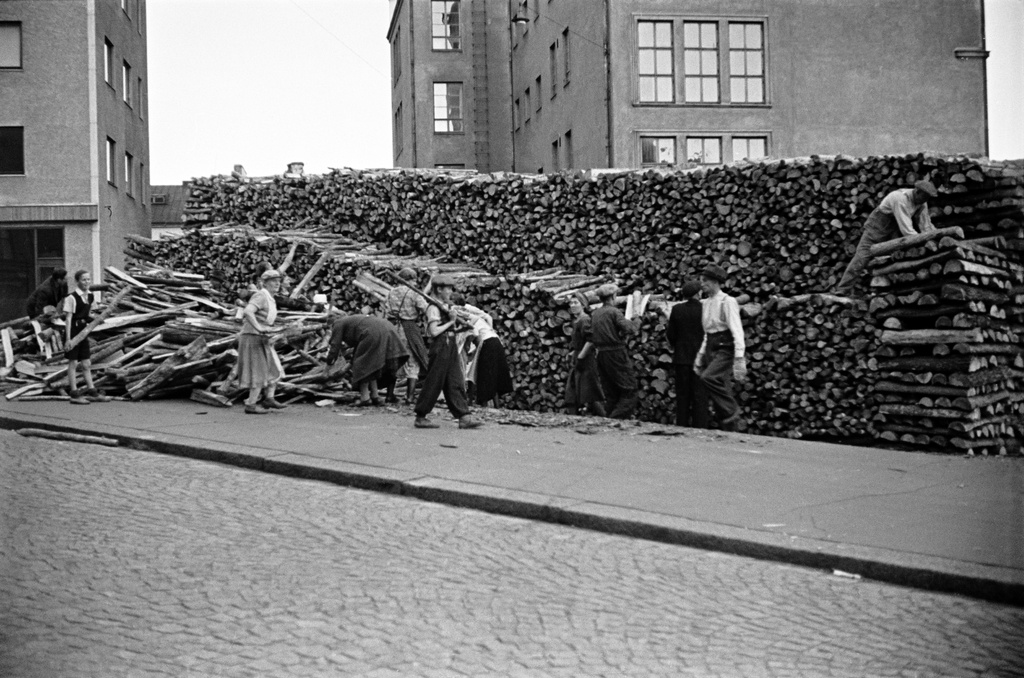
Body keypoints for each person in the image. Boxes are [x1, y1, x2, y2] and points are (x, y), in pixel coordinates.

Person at [834, 180, 938, 296]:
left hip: (893, 230)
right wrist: (920, 241)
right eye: (924, 197)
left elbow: (925, 225)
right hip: (877, 227)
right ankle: (843, 289)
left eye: (927, 198)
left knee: (893, 259)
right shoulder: (900, 199)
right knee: (862, 257)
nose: (925, 201)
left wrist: (933, 238)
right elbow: (907, 230)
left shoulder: (922, 202)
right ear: (917, 192)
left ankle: (882, 293)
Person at [412, 275, 482, 430]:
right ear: (438, 289)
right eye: (448, 289)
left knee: (455, 380)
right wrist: (451, 321)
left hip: (449, 345)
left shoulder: (443, 305)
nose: (450, 292)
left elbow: (448, 330)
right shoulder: (433, 308)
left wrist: (459, 328)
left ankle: (464, 416)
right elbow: (434, 331)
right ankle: (421, 416)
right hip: (440, 347)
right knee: (434, 381)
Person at [694, 264, 746, 431]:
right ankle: (729, 427)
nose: (702, 284)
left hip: (725, 345)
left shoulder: (727, 301)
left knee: (708, 377)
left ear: (716, 282)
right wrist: (700, 356)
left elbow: (736, 329)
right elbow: (706, 333)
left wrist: (739, 356)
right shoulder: (706, 303)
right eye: (701, 280)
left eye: (706, 281)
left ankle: (732, 410)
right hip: (711, 344)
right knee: (721, 384)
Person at [325, 313, 409, 406]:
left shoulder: (338, 323)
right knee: (372, 365)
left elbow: (335, 344)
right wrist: (351, 361)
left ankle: (365, 398)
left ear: (331, 324)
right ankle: (375, 396)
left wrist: (329, 362)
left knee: (362, 365)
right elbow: (358, 345)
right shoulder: (354, 321)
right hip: (387, 328)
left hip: (372, 333)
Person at [589, 283, 641, 419]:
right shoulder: (613, 312)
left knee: (611, 391)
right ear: (613, 296)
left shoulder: (595, 313)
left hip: (601, 354)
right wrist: (636, 320)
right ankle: (616, 418)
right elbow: (630, 329)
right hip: (615, 353)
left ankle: (609, 418)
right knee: (630, 389)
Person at [238, 269, 286, 414]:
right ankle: (251, 405)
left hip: (262, 337)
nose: (277, 283)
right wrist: (259, 328)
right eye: (273, 281)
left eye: (278, 281)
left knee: (274, 367)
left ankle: (269, 398)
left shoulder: (271, 298)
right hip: (252, 336)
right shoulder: (261, 295)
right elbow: (248, 311)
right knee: (258, 370)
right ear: (264, 283)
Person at [62, 270, 110, 404]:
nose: (87, 282)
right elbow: (68, 318)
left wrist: (96, 319)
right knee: (73, 363)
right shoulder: (71, 298)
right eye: (84, 280)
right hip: (73, 331)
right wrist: (68, 339)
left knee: (86, 363)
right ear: (77, 282)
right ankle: (74, 394)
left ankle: (92, 391)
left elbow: (86, 315)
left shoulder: (90, 296)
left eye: (89, 279)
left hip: (83, 331)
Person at [666, 280, 709, 428]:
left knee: (683, 395)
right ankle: (700, 426)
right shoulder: (705, 309)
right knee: (700, 395)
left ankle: (682, 424)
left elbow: (671, 334)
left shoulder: (677, 309)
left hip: (682, 358)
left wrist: (677, 345)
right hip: (701, 358)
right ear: (698, 293)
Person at [385, 267, 429, 404]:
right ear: (412, 279)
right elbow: (425, 308)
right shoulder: (414, 293)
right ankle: (409, 396)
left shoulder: (391, 292)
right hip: (409, 327)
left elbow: (386, 310)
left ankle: (389, 394)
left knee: (393, 360)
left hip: (393, 328)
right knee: (413, 361)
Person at [460, 303, 513, 407]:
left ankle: (480, 403)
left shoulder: (470, 320)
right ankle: (496, 406)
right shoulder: (483, 319)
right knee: (493, 374)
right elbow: (488, 317)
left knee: (483, 374)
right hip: (496, 341)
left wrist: (469, 352)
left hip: (486, 343)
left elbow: (476, 338)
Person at [563, 293, 605, 416]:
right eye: (571, 303)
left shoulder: (585, 320)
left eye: (576, 303)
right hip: (578, 356)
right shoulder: (577, 321)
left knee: (590, 390)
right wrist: (572, 353)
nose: (573, 306)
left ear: (583, 305)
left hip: (586, 359)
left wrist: (581, 356)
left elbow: (590, 340)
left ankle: (604, 417)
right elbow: (579, 341)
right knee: (573, 389)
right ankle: (574, 416)